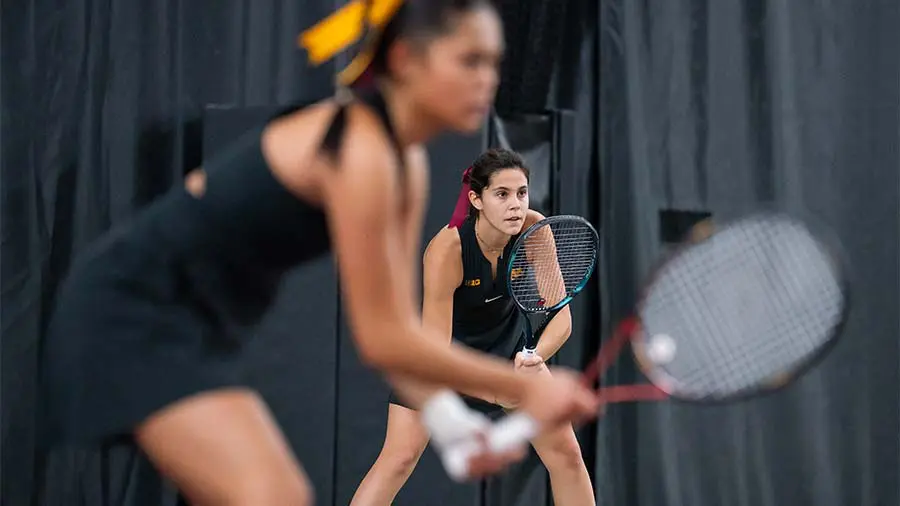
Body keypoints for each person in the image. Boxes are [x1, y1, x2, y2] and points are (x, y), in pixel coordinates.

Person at [38, 1, 599, 505]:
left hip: (199, 327)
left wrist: (453, 425)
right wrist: (519, 387)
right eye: (470, 61)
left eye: (494, 63)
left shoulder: (406, 165)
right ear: (404, 59)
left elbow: (396, 339)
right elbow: (382, 337)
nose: (488, 80)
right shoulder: (362, 152)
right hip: (133, 311)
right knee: (271, 494)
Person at [351, 148, 596, 505]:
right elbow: (435, 353)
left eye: (522, 193)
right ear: (476, 199)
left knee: (568, 457)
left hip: (509, 355)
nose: (516, 204)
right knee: (398, 460)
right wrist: (492, 386)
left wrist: (530, 359)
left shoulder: (534, 229)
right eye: (502, 194)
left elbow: (562, 318)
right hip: (443, 361)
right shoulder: (446, 251)